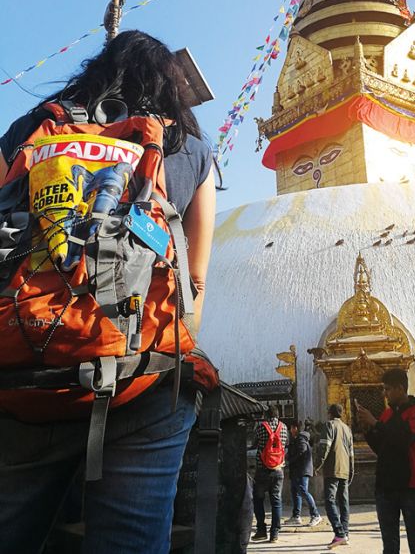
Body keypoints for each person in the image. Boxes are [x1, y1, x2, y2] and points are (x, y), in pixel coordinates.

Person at [0, 30, 216, 554]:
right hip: (141, 383)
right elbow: (197, 283)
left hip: (23, 374)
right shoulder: (188, 146)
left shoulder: (28, 132)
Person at [357, 368, 415, 554]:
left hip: (410, 485)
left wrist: (376, 424)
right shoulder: (387, 415)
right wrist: (368, 430)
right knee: (389, 544)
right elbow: (382, 448)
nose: (384, 393)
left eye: (387, 389)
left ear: (400, 388)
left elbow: (403, 439)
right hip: (386, 485)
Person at [315, 403, 354, 549]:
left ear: (330, 413)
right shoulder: (347, 429)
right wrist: (351, 471)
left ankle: (339, 532)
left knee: (330, 500)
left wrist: (317, 465)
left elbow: (324, 447)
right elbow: (351, 454)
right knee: (344, 502)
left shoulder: (329, 425)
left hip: (332, 469)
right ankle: (345, 533)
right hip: (344, 469)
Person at [252, 405, 289, 543]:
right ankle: (275, 534)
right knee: (276, 502)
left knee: (258, 499)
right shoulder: (284, 427)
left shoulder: (262, 426)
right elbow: (285, 445)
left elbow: (255, 443)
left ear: (267, 415)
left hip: (262, 470)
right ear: (278, 415)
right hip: (278, 470)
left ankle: (261, 530)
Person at [285, 419, 322, 527]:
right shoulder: (297, 439)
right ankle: (296, 516)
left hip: (301, 470)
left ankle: (315, 515)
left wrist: (289, 459)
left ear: (295, 428)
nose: (290, 430)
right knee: (295, 492)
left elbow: (300, 452)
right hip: (297, 470)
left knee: (303, 491)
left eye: (291, 428)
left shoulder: (301, 439)